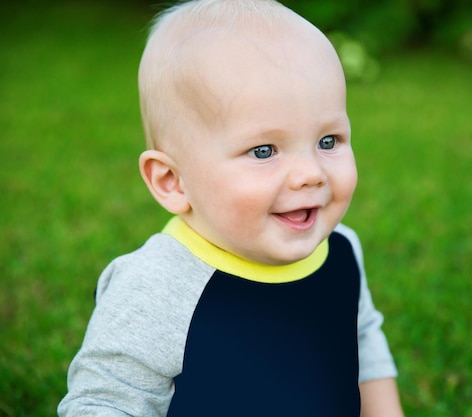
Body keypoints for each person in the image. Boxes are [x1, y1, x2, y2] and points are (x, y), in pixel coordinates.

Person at [58, 0, 403, 415]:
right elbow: (105, 401)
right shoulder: (157, 285)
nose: (310, 174)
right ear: (173, 181)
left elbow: (363, 341)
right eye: (263, 150)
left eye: (328, 141)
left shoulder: (342, 251)